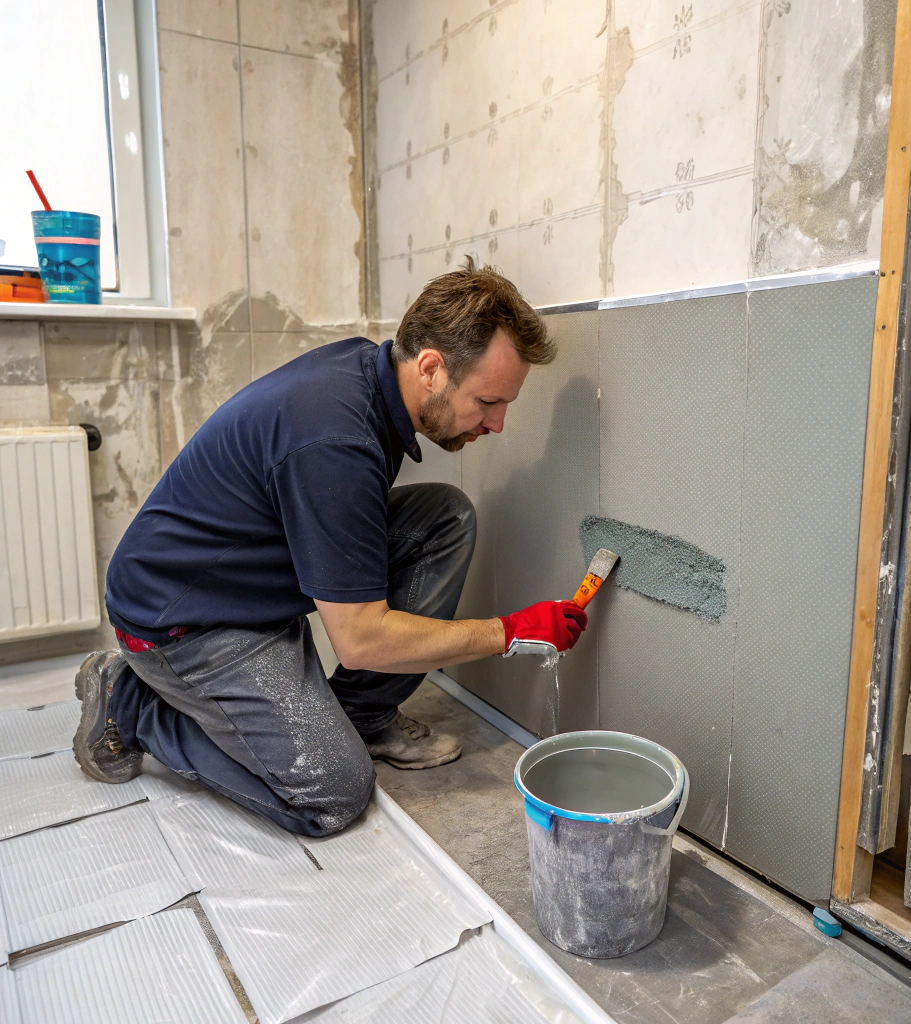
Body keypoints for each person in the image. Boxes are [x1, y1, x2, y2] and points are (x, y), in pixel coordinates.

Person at [72, 259, 587, 837]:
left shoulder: (368, 376)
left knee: (444, 517)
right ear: (432, 369)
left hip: (250, 586)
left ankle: (362, 716)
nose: (497, 424)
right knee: (334, 791)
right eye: (488, 401)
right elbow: (361, 638)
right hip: (185, 623)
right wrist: (509, 631)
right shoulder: (335, 440)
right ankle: (133, 703)